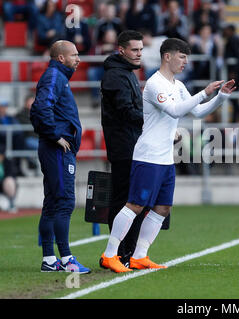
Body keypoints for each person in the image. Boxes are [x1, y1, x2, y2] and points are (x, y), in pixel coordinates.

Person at [99, 37, 236, 273]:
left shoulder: (178, 86)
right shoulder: (155, 84)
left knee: (163, 207)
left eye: (186, 58)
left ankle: (140, 256)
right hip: (148, 154)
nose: (185, 62)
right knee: (135, 205)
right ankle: (109, 254)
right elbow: (174, 111)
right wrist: (204, 92)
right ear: (167, 56)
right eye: (182, 57)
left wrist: (220, 96)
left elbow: (198, 112)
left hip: (164, 157)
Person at [30, 40, 90, 273]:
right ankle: (66, 259)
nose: (78, 59)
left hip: (54, 149)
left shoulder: (57, 77)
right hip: (57, 150)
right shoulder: (54, 76)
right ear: (61, 58)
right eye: (74, 55)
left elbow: (41, 108)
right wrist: (55, 135)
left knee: (53, 202)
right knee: (64, 201)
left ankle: (48, 259)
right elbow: (40, 108)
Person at [100, 30, 148, 267]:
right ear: (122, 50)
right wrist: (152, 119)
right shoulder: (115, 76)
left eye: (141, 49)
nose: (140, 54)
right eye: (135, 50)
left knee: (135, 199)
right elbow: (126, 111)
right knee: (124, 200)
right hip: (124, 148)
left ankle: (127, 254)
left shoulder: (124, 73)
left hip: (131, 146)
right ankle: (118, 255)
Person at [222, 24, 239, 122]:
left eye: (227, 30)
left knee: (233, 97)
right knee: (233, 97)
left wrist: (233, 71)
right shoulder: (232, 40)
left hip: (236, 74)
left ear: (231, 31)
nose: (224, 32)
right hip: (236, 73)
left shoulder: (233, 40)